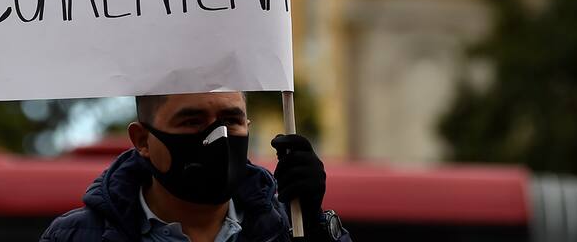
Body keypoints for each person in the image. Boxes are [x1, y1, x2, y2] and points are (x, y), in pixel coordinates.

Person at [40, 91, 351, 242]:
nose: (217, 136)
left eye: (231, 120)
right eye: (191, 121)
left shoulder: (286, 229)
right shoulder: (76, 236)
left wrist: (316, 228)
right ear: (142, 140)